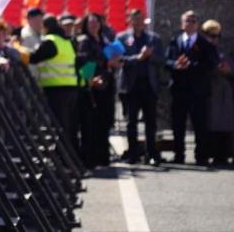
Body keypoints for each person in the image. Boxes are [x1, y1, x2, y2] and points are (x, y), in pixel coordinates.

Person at [166, 10, 218, 165]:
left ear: (197, 24)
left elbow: (212, 63)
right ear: (182, 23)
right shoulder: (175, 41)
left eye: (193, 20)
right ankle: (179, 155)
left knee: (200, 125)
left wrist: (192, 66)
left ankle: (201, 156)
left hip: (198, 92)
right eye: (187, 20)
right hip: (179, 90)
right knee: (178, 125)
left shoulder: (205, 44)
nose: (190, 23)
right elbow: (166, 60)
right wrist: (176, 64)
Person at [116, 9, 164, 165]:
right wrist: (138, 58)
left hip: (148, 84)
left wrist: (150, 56)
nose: (138, 22)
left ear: (144, 21)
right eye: (134, 19)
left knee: (151, 122)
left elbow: (161, 59)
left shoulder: (153, 39)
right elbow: (119, 59)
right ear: (130, 21)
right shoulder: (122, 38)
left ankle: (151, 154)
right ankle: (133, 153)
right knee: (131, 122)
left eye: (140, 19)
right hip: (131, 85)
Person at [29, 14, 79, 152]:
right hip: (71, 88)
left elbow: (34, 58)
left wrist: (18, 50)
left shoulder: (50, 41)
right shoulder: (66, 41)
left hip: (56, 89)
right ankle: (71, 157)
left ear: (45, 27)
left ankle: (65, 158)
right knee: (69, 125)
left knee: (60, 126)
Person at [76, 13, 120, 167]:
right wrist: (90, 79)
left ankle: (102, 155)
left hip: (107, 85)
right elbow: (83, 61)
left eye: (96, 22)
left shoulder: (104, 39)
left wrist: (113, 63)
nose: (94, 25)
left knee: (105, 122)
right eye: (91, 22)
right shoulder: (84, 41)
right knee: (90, 124)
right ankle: (90, 158)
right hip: (93, 87)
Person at [201, 20, 234, 166]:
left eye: (217, 36)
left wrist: (228, 70)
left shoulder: (222, 51)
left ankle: (223, 154)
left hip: (224, 92)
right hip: (208, 91)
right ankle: (209, 154)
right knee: (209, 123)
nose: (214, 39)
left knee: (225, 124)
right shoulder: (201, 49)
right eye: (210, 35)